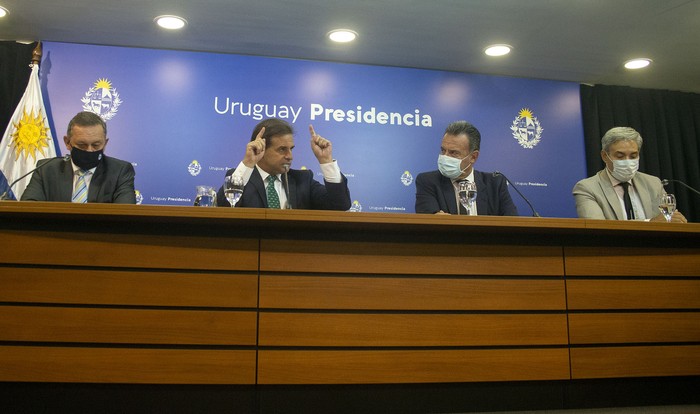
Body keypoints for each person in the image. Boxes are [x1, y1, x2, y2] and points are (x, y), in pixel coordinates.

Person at [216, 118, 351, 210]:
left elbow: (340, 205)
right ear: (261, 148)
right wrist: (247, 163)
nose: (289, 156)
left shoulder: (303, 181)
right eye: (282, 149)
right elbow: (222, 208)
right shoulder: (241, 179)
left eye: (291, 149)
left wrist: (326, 161)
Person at [572, 126, 687, 222]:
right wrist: (651, 223)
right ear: (604, 156)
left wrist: (675, 220)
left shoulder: (653, 183)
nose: (628, 161)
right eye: (620, 156)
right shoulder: (587, 188)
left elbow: (668, 220)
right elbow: (596, 229)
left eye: (633, 156)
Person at [21, 111, 136, 203]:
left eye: (96, 145)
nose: (90, 150)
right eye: (82, 145)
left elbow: (125, 213)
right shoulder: (46, 169)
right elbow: (28, 208)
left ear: (105, 143)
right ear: (67, 142)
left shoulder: (120, 171)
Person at [415, 120, 518, 215]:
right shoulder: (427, 181)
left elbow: (512, 224)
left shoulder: (495, 184)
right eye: (443, 150)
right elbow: (429, 222)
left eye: (453, 153)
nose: (445, 157)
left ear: (473, 157)